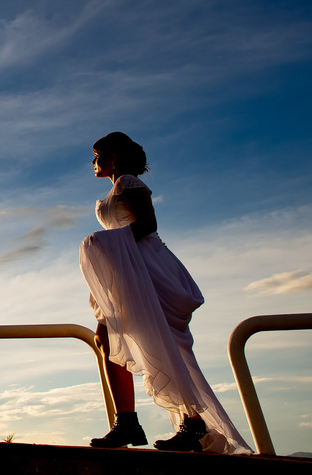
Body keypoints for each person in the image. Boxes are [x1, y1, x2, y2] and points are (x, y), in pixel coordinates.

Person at [79, 132, 251, 453]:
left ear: (113, 157)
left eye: (97, 154)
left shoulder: (128, 183)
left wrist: (102, 242)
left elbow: (147, 224)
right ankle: (128, 422)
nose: (93, 162)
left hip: (145, 269)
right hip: (125, 271)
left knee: (163, 343)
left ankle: (192, 423)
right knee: (108, 338)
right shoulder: (119, 187)